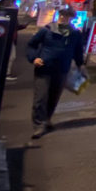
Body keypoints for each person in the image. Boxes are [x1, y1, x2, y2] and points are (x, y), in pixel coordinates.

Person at [26, 10, 87, 139]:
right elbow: (31, 45)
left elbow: (78, 51)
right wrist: (34, 58)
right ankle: (38, 126)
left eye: (69, 18)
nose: (66, 19)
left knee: (54, 96)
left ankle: (46, 119)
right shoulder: (46, 30)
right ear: (60, 16)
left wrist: (81, 65)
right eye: (64, 16)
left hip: (62, 69)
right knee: (40, 98)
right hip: (44, 68)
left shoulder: (74, 33)